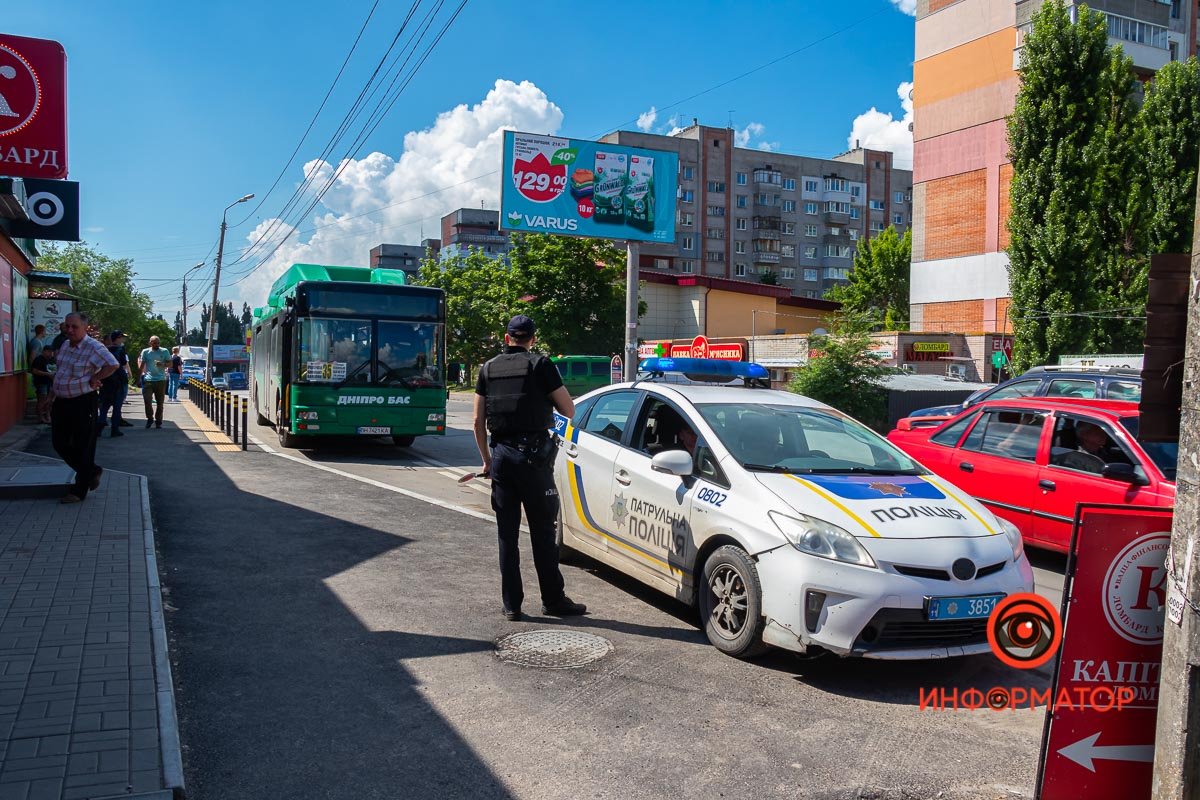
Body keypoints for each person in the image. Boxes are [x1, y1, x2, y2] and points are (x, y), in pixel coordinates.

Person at [474, 315, 586, 622]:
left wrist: (486, 460)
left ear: (506, 337)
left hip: (502, 461)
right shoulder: (541, 365)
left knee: (506, 536)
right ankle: (553, 600)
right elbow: (569, 409)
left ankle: (512, 605)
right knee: (542, 533)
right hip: (534, 462)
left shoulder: (488, 368)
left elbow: (477, 421)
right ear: (532, 339)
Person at [50, 311, 118, 503]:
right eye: (67, 326)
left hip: (82, 401)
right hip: (61, 400)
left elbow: (112, 364)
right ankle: (92, 471)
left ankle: (79, 491)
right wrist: (51, 396)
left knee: (83, 445)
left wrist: (96, 378)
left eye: (74, 327)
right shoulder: (64, 345)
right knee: (59, 443)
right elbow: (60, 372)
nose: (70, 330)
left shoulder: (93, 347)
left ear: (85, 328)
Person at [97, 331, 130, 438]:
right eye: (122, 338)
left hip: (106, 379)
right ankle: (114, 429)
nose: (123, 340)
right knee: (117, 406)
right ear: (118, 338)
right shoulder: (120, 349)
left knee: (104, 405)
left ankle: (100, 425)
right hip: (118, 380)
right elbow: (124, 364)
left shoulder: (104, 349)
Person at [139, 335, 170, 428]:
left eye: (158, 343)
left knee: (160, 402)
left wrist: (163, 364)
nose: (156, 344)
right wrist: (138, 378)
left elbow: (170, 364)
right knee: (147, 400)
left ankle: (158, 421)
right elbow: (142, 365)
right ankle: (149, 418)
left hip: (160, 380)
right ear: (150, 343)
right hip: (148, 379)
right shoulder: (145, 352)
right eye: (154, 342)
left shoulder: (164, 351)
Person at [30, 344, 55, 424]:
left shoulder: (51, 360)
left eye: (52, 352)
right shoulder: (39, 359)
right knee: (42, 400)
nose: (51, 354)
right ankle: (40, 417)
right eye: (49, 352)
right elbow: (34, 371)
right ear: (44, 351)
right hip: (41, 383)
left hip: (49, 383)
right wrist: (48, 374)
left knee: (49, 401)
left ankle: (48, 416)